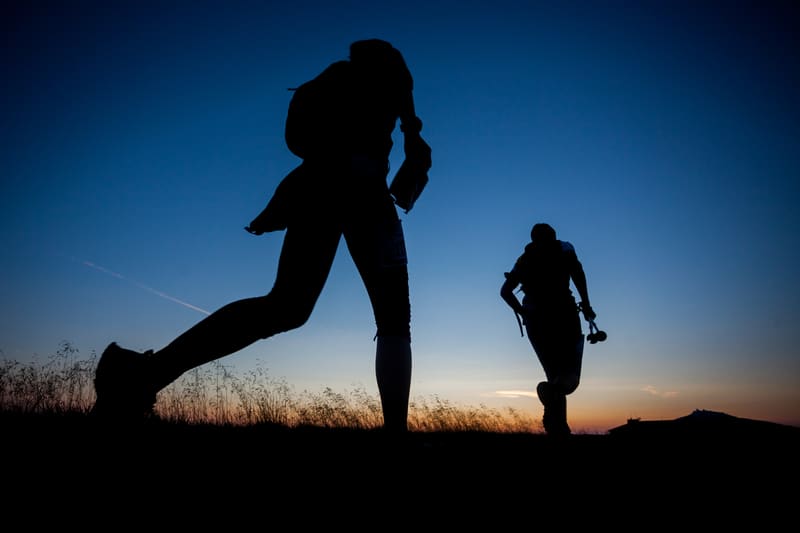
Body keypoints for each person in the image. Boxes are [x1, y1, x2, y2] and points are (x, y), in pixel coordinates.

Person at [92, 39, 431, 434]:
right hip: (339, 192)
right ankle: (140, 377)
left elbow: (315, 135)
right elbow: (302, 136)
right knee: (314, 309)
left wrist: (403, 144)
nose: (400, 92)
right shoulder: (348, 80)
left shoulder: (385, 92)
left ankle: (141, 377)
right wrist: (348, 157)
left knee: (296, 308)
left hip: (349, 196)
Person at [500, 223, 597, 437]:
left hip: (536, 321)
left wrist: (523, 313)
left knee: (554, 374)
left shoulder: (523, 260)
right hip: (564, 316)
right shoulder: (565, 248)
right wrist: (587, 304)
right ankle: (553, 407)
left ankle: (558, 428)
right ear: (554, 235)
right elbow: (578, 274)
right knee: (569, 379)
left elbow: (505, 291)